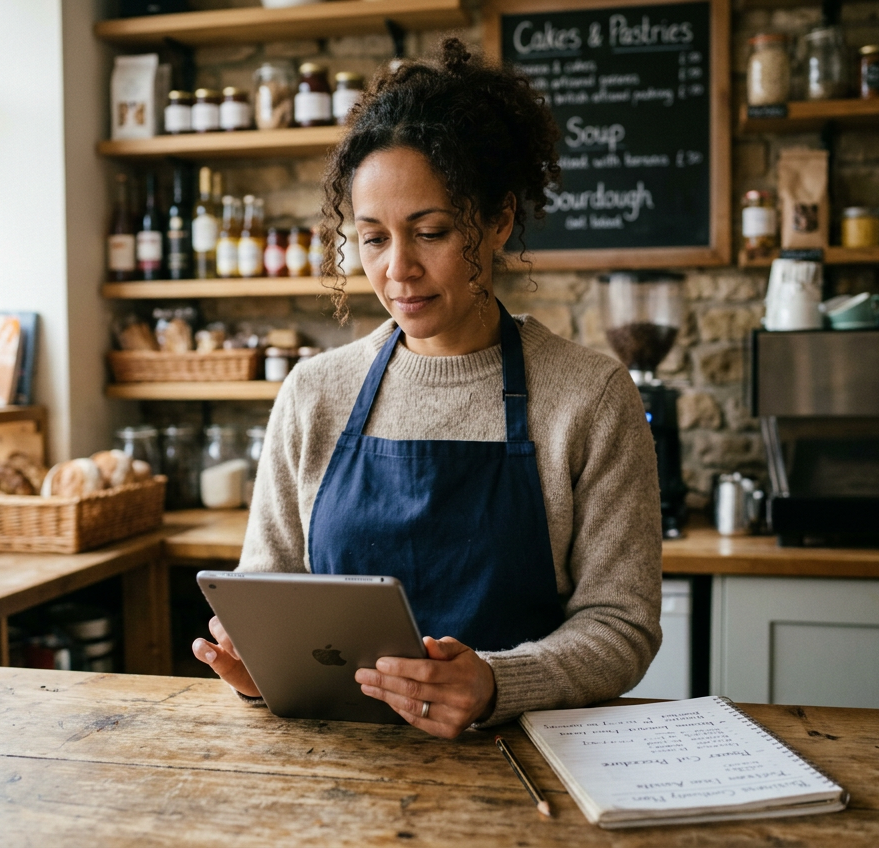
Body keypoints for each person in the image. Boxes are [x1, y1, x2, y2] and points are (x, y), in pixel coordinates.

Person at [192, 38, 662, 739]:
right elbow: (269, 592)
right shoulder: (314, 393)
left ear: (499, 221)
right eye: (374, 239)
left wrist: (498, 682)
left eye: (431, 231)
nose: (399, 270)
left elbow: (621, 625)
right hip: (340, 765)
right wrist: (260, 666)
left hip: (523, 760)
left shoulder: (589, 396)